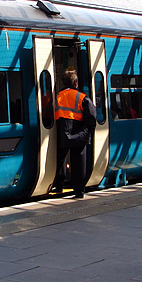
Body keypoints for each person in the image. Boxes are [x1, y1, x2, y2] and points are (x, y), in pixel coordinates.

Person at [52, 69, 97, 198]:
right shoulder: (82, 97)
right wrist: (87, 132)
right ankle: (79, 191)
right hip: (79, 134)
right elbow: (91, 117)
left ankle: (58, 186)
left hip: (63, 132)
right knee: (79, 163)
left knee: (60, 160)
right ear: (76, 82)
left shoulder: (58, 96)